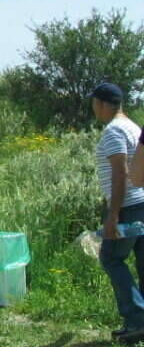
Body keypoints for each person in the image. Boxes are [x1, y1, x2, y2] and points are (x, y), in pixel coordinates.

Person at [89, 82, 144, 343]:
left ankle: (136, 320)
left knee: (111, 258)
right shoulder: (134, 127)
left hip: (127, 208)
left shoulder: (113, 131)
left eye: (94, 104)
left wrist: (113, 215)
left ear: (101, 104)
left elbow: (120, 174)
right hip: (142, 203)